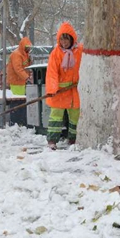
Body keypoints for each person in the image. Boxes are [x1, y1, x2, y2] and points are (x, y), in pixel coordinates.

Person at [45, 22, 83, 150]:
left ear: (72, 39)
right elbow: (52, 73)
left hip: (74, 91)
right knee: (56, 116)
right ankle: (52, 140)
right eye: (61, 39)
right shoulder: (55, 54)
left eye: (66, 39)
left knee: (75, 116)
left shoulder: (80, 51)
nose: (64, 42)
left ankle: (73, 138)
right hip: (59, 91)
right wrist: (52, 89)